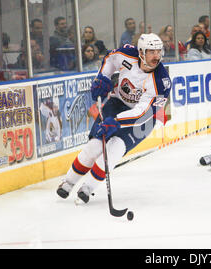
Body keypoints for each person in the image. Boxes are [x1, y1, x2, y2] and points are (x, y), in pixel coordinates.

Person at [56, 33, 171, 203]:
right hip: (117, 103)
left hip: (143, 120)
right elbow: (110, 59)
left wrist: (116, 122)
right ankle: (69, 182)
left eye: (158, 52)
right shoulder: (127, 54)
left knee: (114, 149)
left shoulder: (162, 81)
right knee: (94, 146)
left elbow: (141, 112)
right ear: (141, 52)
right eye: (151, 52)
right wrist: (103, 77)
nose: (156, 56)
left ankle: (87, 188)